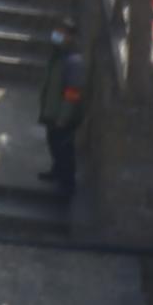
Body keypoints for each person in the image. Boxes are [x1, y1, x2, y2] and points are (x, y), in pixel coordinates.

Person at [40, 26, 90, 206]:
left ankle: (67, 187)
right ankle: (56, 172)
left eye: (62, 33)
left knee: (64, 150)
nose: (57, 36)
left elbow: (72, 93)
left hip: (63, 116)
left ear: (71, 36)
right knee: (53, 143)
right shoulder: (59, 56)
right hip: (53, 112)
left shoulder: (74, 61)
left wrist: (63, 117)